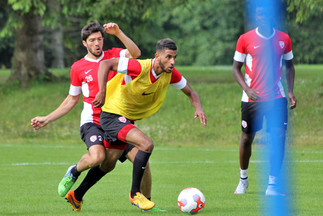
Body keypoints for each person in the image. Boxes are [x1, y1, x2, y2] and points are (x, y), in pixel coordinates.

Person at [30, 22, 161, 211]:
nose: (97, 43)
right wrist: (47, 118)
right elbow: (71, 99)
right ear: (85, 43)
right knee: (98, 157)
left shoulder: (114, 55)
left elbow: (135, 53)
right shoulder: (78, 67)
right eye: (92, 40)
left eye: (100, 39)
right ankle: (74, 171)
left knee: (142, 161)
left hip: (117, 121)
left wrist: (118, 33)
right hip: (94, 122)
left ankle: (147, 203)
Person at [90, 38, 207, 210]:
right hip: (111, 114)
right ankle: (135, 194)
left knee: (109, 162)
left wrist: (199, 108)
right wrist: (102, 91)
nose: (172, 62)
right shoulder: (140, 67)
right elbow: (105, 64)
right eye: (168, 57)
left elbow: (191, 92)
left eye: (175, 57)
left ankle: (77, 195)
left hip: (125, 118)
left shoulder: (171, 73)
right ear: (157, 56)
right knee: (146, 144)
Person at [232, 5, 296, 196]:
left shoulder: (284, 39)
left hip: (276, 97)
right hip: (252, 99)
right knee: (246, 138)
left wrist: (291, 92)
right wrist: (247, 89)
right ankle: (243, 180)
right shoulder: (245, 39)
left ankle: (273, 184)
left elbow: (290, 66)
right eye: (259, 13)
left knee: (278, 137)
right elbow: (236, 68)